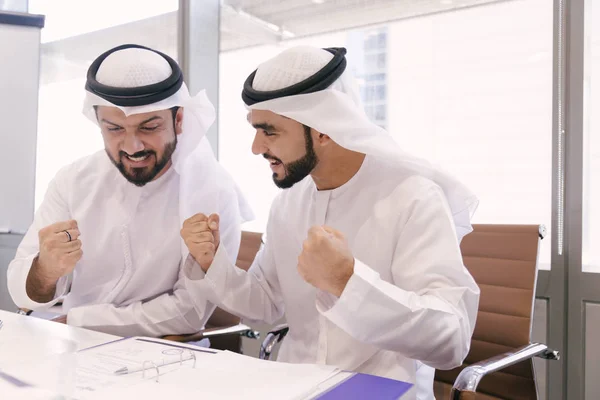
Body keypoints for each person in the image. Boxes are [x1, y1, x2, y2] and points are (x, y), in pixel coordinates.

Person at [181, 46, 480, 399]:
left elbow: (451, 341)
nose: (256, 147)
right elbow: (266, 307)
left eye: (270, 131)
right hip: (293, 386)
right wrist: (211, 263)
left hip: (384, 391)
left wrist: (347, 281)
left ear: (323, 130)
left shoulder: (412, 197)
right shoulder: (288, 204)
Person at [7, 44, 253, 337]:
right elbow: (22, 290)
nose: (132, 146)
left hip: (167, 357)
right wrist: (45, 270)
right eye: (114, 129)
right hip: (72, 349)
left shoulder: (212, 190)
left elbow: (190, 312)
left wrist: (78, 322)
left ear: (179, 120)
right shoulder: (74, 180)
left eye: (149, 127)